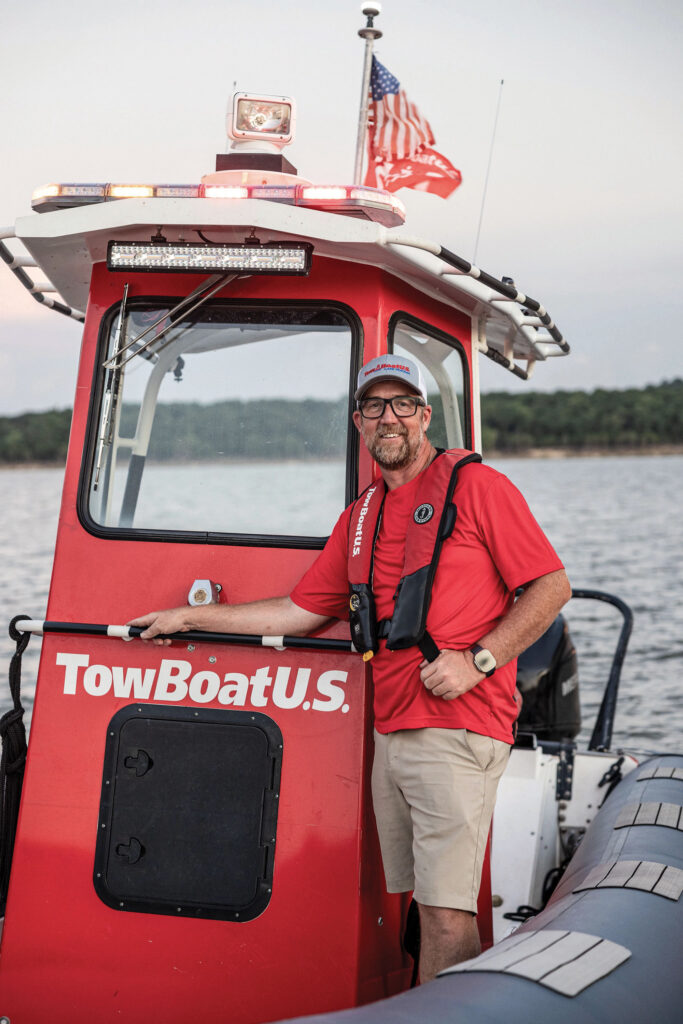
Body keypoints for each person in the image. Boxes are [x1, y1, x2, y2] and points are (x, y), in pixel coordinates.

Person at [129, 354, 570, 983]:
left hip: (458, 726)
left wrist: (480, 660)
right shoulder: (361, 517)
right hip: (392, 733)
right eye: (373, 406)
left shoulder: (479, 488)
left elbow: (551, 586)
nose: (387, 419)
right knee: (421, 907)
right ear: (357, 420)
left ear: (423, 415)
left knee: (448, 916)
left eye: (400, 405)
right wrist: (189, 618)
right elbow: (299, 612)